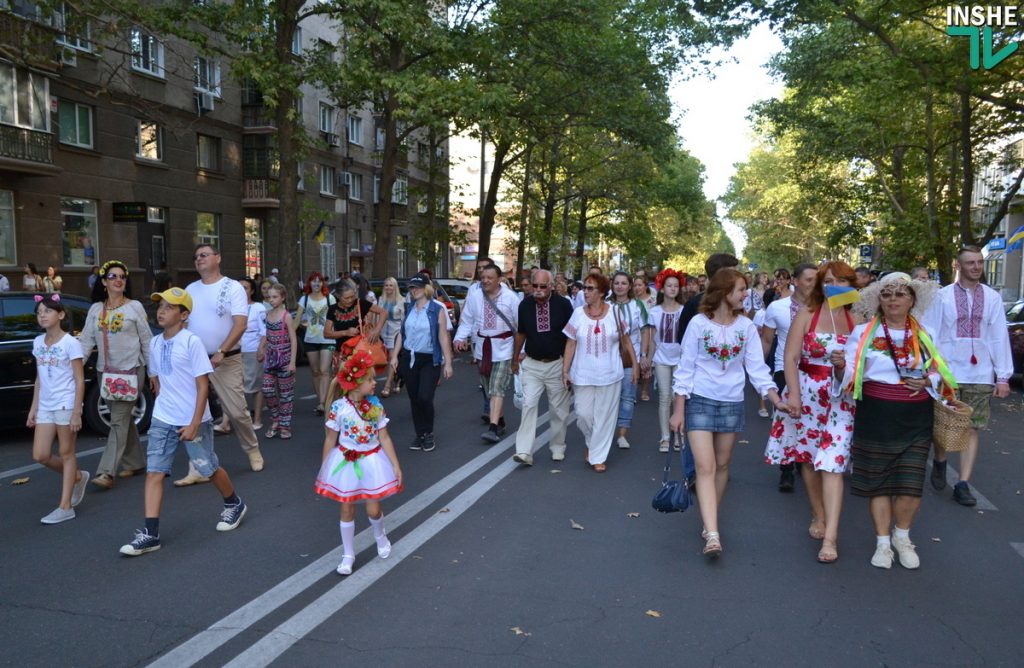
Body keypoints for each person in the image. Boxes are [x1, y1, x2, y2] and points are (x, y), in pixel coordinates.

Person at [119, 287, 249, 556]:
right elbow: (159, 381)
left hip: (194, 418)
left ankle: (234, 503)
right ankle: (150, 534)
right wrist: (160, 408)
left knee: (207, 468)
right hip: (163, 417)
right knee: (155, 471)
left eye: (169, 307)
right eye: (161, 306)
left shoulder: (191, 342)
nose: (162, 311)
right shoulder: (155, 343)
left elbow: (202, 386)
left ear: (184, 314)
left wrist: (192, 423)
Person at [670, 268, 790, 558]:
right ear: (725, 292)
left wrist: (775, 397)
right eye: (740, 289)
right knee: (705, 468)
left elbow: (757, 369)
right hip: (699, 400)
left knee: (722, 467)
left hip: (732, 403)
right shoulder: (698, 324)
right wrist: (678, 410)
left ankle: (710, 518)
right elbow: (685, 368)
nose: (745, 294)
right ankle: (712, 533)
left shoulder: (746, 327)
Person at [835, 272, 950, 570]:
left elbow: (942, 372)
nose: (893, 299)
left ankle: (903, 537)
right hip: (875, 414)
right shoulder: (863, 332)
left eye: (900, 294)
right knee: (879, 483)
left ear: (912, 299)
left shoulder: (927, 333)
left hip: (915, 417)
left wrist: (927, 380)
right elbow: (849, 374)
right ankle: (883, 543)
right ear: (879, 300)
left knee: (910, 483)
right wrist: (839, 368)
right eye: (887, 294)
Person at [764, 261, 859, 564]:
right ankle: (818, 512)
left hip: (841, 399)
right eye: (829, 280)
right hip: (806, 395)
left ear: (851, 285)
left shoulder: (857, 319)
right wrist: (793, 396)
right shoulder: (806, 315)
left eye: (842, 281)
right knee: (808, 458)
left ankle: (830, 536)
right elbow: (790, 358)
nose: (835, 286)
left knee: (833, 465)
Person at [922, 246, 1013, 506]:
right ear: (958, 266)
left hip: (981, 372)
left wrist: (1003, 376)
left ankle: (963, 483)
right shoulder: (942, 296)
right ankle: (940, 461)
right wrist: (932, 366)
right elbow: (931, 332)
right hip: (948, 370)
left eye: (980, 262)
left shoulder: (993, 298)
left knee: (973, 427)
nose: (976, 267)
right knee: (944, 424)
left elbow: (998, 336)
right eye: (971, 263)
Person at [177, 244, 264, 487]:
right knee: (194, 415)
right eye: (195, 257)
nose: (199, 259)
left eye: (204, 255)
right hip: (195, 360)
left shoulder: (232, 287)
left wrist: (222, 351)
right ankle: (198, 466)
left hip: (226, 358)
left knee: (236, 410)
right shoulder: (190, 290)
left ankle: (252, 449)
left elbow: (240, 324)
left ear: (218, 257)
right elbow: (182, 322)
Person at [316, 350, 403, 575]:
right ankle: (348, 554)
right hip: (346, 462)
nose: (375, 383)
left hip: (372, 461)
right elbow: (330, 439)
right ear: (355, 384)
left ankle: (380, 535)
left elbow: (383, 436)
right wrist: (325, 467)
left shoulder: (376, 407)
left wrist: (395, 464)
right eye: (370, 380)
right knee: (347, 509)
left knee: (374, 510)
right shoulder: (339, 408)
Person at [79, 260, 152, 489]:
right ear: (103, 282)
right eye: (113, 276)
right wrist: (74, 368)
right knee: (124, 419)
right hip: (105, 373)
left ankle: (106, 472)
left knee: (118, 421)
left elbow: (147, 341)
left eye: (122, 276)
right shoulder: (95, 310)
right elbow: (85, 342)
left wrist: (155, 373)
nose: (118, 280)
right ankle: (136, 461)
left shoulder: (134, 307)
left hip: (131, 372)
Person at [563, 273, 637, 472]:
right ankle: (592, 443)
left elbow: (626, 340)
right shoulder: (578, 313)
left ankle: (597, 457)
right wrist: (565, 370)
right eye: (584, 288)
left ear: (602, 292)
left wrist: (636, 365)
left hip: (610, 373)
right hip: (582, 373)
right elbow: (570, 343)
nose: (584, 291)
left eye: (590, 288)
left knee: (604, 417)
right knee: (583, 414)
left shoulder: (614, 312)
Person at [28, 294, 88, 524]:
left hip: (66, 402)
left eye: (47, 311)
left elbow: (79, 379)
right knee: (41, 455)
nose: (42, 315)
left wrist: (76, 411)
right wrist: (33, 408)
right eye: (39, 311)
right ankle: (78, 477)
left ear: (60, 315)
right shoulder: (37, 342)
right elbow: (39, 379)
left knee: (66, 452)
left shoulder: (70, 343)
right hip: (45, 404)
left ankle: (66, 506)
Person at [761, 263, 816, 492]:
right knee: (788, 417)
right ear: (795, 280)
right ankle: (786, 469)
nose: (814, 284)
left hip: (814, 370)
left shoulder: (825, 310)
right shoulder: (777, 307)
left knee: (809, 419)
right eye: (809, 279)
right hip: (784, 369)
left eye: (817, 279)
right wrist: (760, 374)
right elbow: (766, 340)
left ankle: (806, 461)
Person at [510, 269, 574, 466]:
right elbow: (521, 333)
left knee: (558, 411)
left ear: (551, 286)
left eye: (542, 286)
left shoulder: (564, 305)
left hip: (557, 364)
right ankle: (523, 451)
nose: (537, 290)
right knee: (528, 405)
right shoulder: (525, 305)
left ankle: (557, 446)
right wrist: (514, 359)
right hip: (532, 364)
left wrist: (568, 367)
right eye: (534, 285)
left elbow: (572, 338)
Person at [455, 264, 520, 443]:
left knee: (497, 388)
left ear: (499, 279)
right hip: (483, 349)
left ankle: (492, 429)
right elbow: (467, 321)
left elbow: (520, 325)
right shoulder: (475, 297)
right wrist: (459, 338)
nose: (485, 280)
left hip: (504, 348)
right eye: (483, 277)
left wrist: (521, 351)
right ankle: (500, 420)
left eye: (489, 277)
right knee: (489, 390)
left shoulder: (511, 298)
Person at [390, 274, 454, 452]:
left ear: (427, 288)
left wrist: (448, 362)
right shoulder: (408, 308)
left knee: (425, 397)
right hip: (409, 358)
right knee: (414, 398)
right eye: (411, 287)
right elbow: (402, 334)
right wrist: (395, 356)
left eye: (417, 287)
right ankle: (420, 435)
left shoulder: (437, 309)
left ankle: (429, 433)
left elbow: (443, 336)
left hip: (429, 359)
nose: (414, 290)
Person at [609, 271, 653, 449]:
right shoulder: (605, 305)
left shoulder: (637, 306)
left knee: (627, 396)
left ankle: (622, 434)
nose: (620, 286)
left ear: (629, 286)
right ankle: (605, 432)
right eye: (617, 283)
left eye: (624, 283)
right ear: (612, 285)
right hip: (608, 358)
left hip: (630, 357)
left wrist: (643, 356)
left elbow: (645, 331)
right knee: (608, 397)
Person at [216, 277, 266, 432]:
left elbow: (264, 331)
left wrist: (261, 348)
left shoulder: (258, 307)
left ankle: (257, 419)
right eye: (240, 287)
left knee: (255, 385)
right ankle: (226, 422)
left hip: (252, 349)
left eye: (245, 287)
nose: (242, 290)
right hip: (235, 350)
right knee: (232, 386)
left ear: (251, 290)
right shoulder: (231, 308)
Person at [650, 268, 686, 453]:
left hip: (680, 360)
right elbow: (652, 338)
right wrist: (647, 359)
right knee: (664, 397)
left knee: (677, 398)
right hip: (662, 359)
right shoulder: (655, 312)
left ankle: (679, 435)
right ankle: (665, 437)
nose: (673, 289)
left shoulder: (684, 311)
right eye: (669, 286)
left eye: (676, 286)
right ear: (662, 288)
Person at [260, 283, 297, 439]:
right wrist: (261, 348)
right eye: (269, 297)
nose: (272, 300)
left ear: (283, 298)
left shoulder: (286, 316)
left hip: (285, 359)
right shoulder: (267, 314)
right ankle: (275, 419)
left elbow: (293, 340)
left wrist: (292, 362)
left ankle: (284, 425)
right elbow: (266, 335)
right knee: (267, 389)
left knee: (285, 394)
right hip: (270, 359)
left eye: (275, 297)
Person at [296, 272, 336, 415]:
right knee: (315, 371)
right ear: (309, 283)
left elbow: (337, 316)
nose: (316, 284)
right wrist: (289, 334)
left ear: (322, 284)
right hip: (310, 339)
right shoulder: (304, 299)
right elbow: (297, 319)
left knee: (325, 370)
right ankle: (322, 400)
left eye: (319, 281)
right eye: (314, 281)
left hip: (327, 338)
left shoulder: (329, 298)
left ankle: (322, 403)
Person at [325, 279, 386, 355]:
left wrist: (377, 330)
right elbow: (326, 334)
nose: (350, 300)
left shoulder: (360, 303)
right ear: (338, 296)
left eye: (352, 297)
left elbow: (383, 312)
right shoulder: (333, 309)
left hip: (362, 351)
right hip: (342, 352)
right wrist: (345, 332)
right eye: (346, 298)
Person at [378, 277, 405, 398]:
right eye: (386, 285)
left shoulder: (401, 300)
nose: (388, 288)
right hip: (384, 333)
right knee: (388, 359)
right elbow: (377, 315)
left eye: (391, 285)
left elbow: (404, 320)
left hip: (396, 332)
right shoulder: (381, 300)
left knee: (391, 357)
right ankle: (398, 377)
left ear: (395, 287)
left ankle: (387, 385)